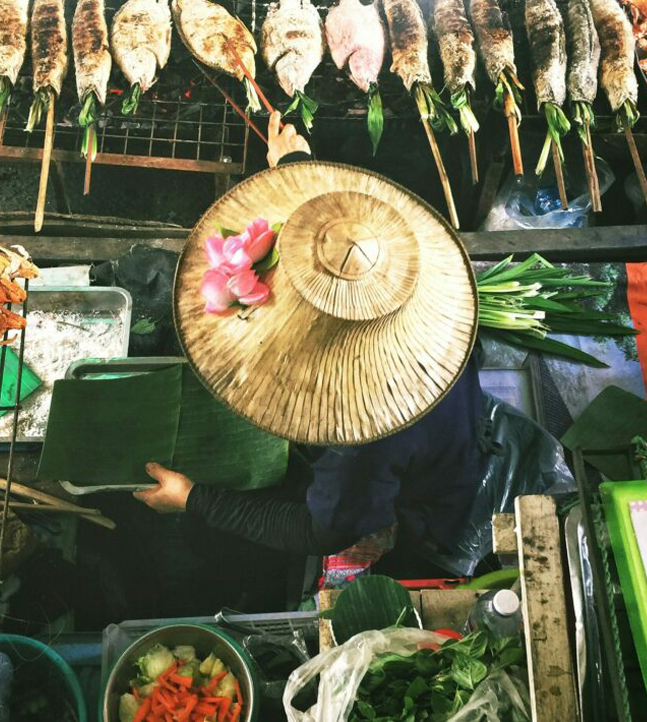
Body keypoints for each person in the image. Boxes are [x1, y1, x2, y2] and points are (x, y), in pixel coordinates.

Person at [134, 113, 493, 579]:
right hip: (443, 411)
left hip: (435, 492)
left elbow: (318, 531)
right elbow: (343, 248)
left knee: (211, 542)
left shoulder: (358, 434)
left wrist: (193, 499)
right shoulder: (398, 261)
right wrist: (296, 165)